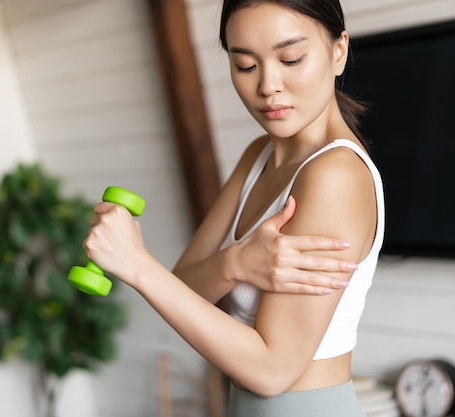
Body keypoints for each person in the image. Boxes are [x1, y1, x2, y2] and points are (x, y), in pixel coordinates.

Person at [83, 0, 384, 415]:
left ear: (338, 51)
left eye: (291, 58)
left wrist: (136, 264)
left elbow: (272, 371)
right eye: (245, 65)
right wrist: (236, 263)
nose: (268, 86)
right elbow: (186, 289)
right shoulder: (258, 156)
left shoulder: (335, 175)